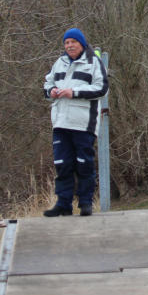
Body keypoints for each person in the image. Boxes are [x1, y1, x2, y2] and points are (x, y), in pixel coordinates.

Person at [42, 28, 108, 217]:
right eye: (67, 42)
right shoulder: (59, 63)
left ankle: (86, 203)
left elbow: (102, 88)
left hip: (83, 123)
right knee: (62, 164)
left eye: (73, 42)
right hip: (60, 122)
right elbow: (47, 84)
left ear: (82, 43)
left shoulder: (93, 62)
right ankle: (63, 204)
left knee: (84, 163)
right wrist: (52, 91)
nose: (70, 45)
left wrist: (74, 92)